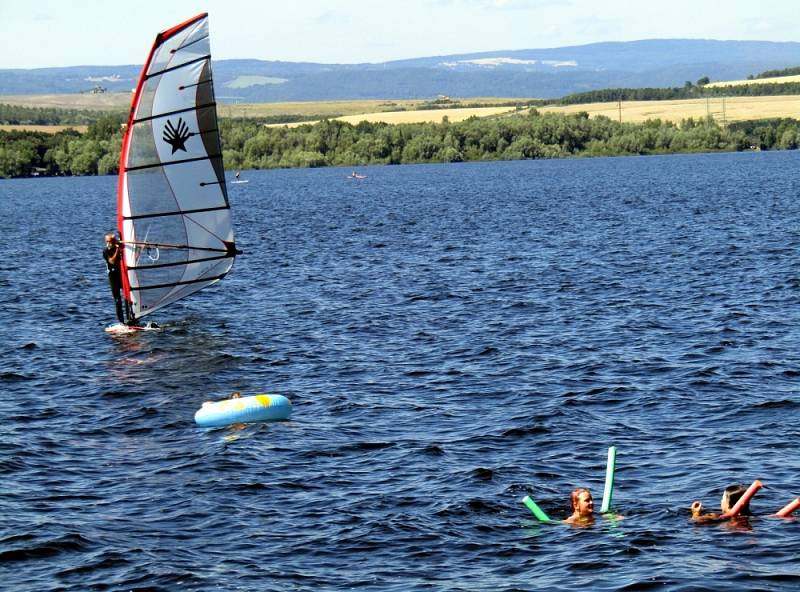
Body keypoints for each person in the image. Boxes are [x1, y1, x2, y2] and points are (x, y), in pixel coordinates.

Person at [103, 232, 125, 324]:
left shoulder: (119, 247)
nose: (109, 243)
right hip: (113, 276)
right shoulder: (105, 251)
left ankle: (132, 317)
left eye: (111, 241)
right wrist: (117, 249)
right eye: (108, 242)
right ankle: (121, 322)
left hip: (121, 274)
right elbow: (112, 261)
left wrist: (121, 247)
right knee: (117, 299)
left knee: (128, 295)